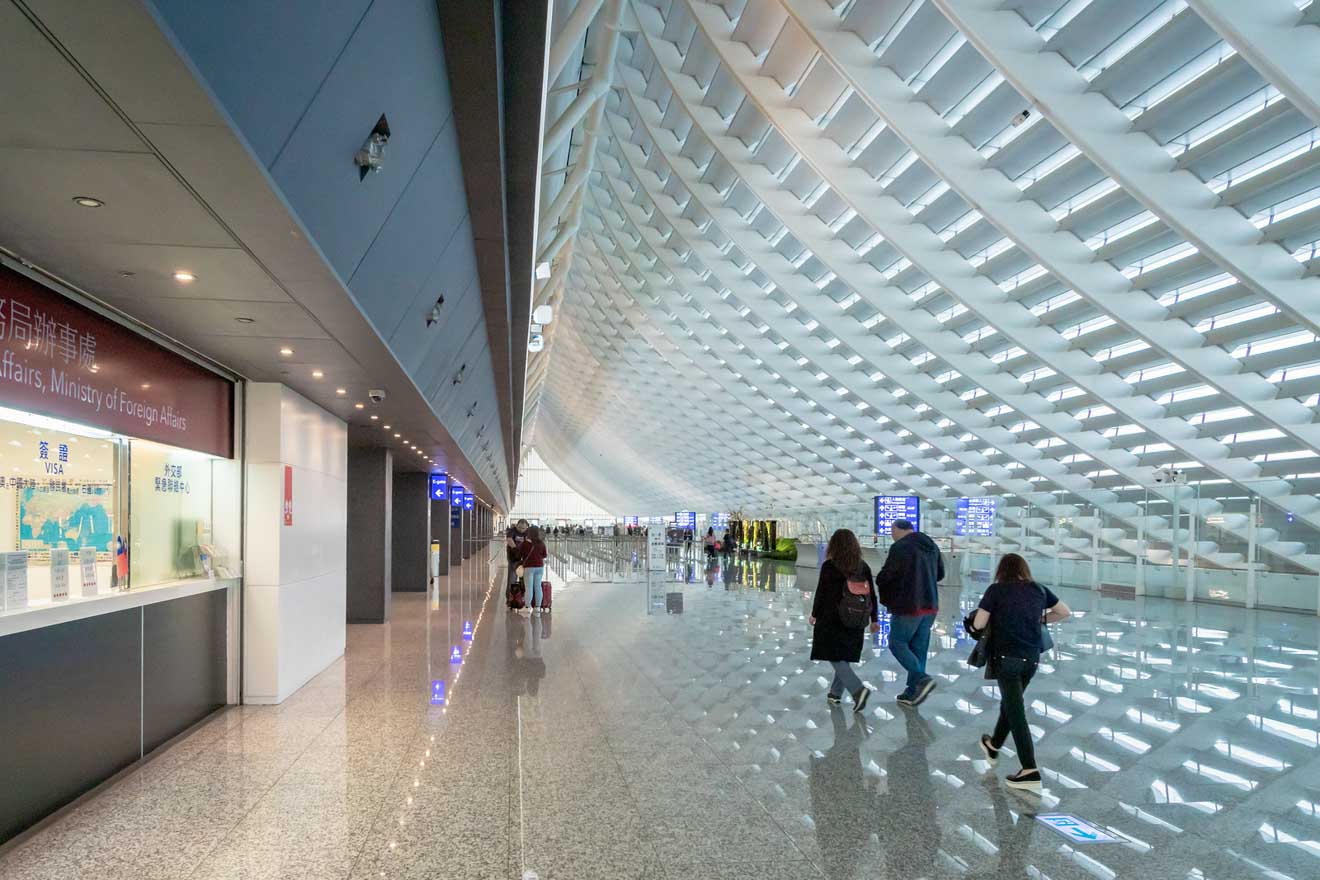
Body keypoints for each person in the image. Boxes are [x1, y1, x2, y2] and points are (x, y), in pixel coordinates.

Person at [967, 553, 1070, 791]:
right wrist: (1037, 618)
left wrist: (972, 626)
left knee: (1016, 711)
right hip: (1031, 658)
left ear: (1001, 570)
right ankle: (994, 744)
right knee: (1011, 703)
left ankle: (1030, 770)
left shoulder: (997, 590)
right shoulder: (1038, 589)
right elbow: (1064, 612)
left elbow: (980, 623)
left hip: (1007, 657)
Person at [875, 518, 944, 707]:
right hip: (931, 604)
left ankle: (922, 679)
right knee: (919, 648)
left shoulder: (900, 547)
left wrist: (881, 580)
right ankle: (912, 692)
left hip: (909, 604)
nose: (891, 535)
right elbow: (940, 574)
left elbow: (888, 575)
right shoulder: (931, 545)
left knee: (897, 642)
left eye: (892, 531)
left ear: (898, 529)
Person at [809, 529, 880, 712]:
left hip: (831, 618)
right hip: (856, 618)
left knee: (833, 654)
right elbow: (871, 594)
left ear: (834, 545)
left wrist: (814, 614)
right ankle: (835, 693)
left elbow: (821, 593)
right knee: (844, 655)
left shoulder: (829, 566)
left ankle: (857, 689)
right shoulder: (862, 566)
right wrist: (874, 619)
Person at [519, 526, 549, 614]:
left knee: (529, 588)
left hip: (529, 567)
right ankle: (538, 607)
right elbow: (544, 555)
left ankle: (527, 607)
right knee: (538, 587)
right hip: (540, 567)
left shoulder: (525, 543)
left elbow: (520, 554)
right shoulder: (541, 543)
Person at [505, 518, 529, 585]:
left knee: (523, 577)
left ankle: (522, 592)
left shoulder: (527, 532)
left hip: (524, 558)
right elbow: (509, 539)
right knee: (512, 576)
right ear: (517, 525)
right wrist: (515, 549)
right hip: (513, 557)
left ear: (526, 527)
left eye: (523, 528)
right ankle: (510, 592)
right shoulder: (512, 531)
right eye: (520, 527)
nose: (521, 530)